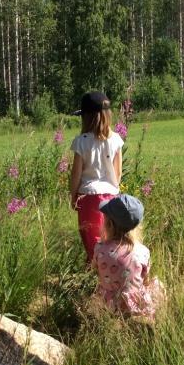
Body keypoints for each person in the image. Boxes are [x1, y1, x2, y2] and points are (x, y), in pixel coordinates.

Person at [70, 92, 124, 262]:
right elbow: (118, 172)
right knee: (111, 240)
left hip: (88, 197)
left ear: (86, 117)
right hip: (111, 196)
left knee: (92, 243)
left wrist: (73, 195)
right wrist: (114, 190)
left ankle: (96, 277)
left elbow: (76, 173)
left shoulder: (81, 141)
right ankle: (112, 275)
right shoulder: (116, 139)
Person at [92, 194, 163, 322]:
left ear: (109, 224)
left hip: (108, 304)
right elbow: (145, 279)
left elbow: (96, 270)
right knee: (155, 285)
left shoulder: (99, 248)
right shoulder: (143, 251)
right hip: (134, 306)